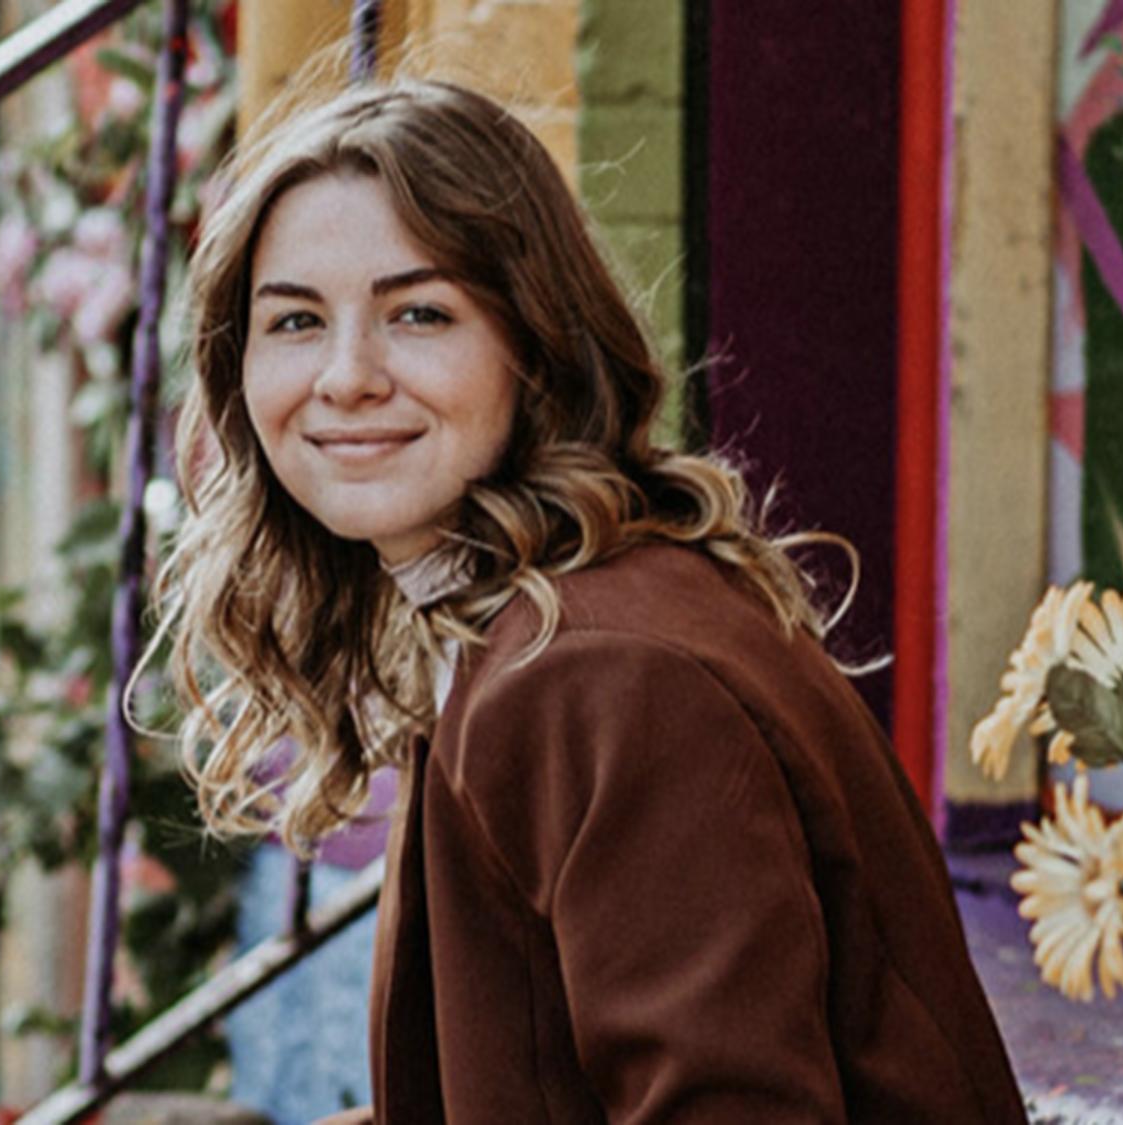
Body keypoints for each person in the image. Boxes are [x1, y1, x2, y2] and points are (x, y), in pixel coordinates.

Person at [134, 77, 1029, 1123]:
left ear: (534, 341)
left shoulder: (596, 668)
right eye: (294, 322)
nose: (346, 376)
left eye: (418, 313)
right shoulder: (536, 618)